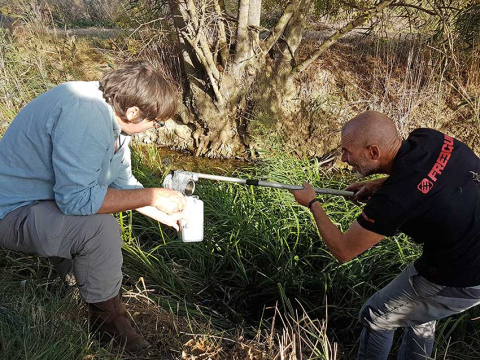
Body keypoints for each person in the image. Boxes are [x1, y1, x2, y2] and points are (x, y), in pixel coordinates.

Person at [0, 61, 187, 352]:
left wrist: (167, 213)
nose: (155, 129)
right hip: (11, 212)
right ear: (134, 112)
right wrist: (152, 196)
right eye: (156, 122)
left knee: (93, 219)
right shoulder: (85, 113)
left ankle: (79, 287)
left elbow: (122, 186)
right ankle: (109, 322)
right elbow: (77, 200)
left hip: (42, 205)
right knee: (98, 228)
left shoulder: (112, 120)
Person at [291, 110, 480, 359]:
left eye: (348, 151)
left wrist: (313, 203)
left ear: (374, 152)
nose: (344, 158)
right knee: (418, 316)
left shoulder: (394, 201)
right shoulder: (430, 138)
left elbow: (343, 250)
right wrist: (379, 183)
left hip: (461, 278)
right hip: (466, 254)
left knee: (376, 316)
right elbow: (435, 175)